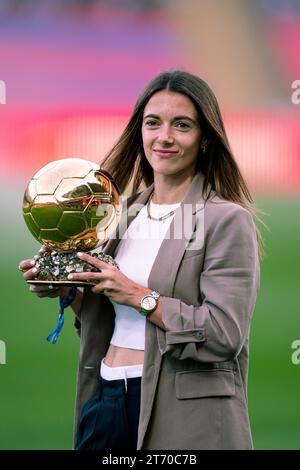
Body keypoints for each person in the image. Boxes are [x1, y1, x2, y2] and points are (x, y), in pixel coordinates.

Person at [19, 70, 261, 450]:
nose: (164, 137)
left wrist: (138, 295)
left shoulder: (226, 219)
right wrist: (69, 291)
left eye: (181, 125)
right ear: (140, 131)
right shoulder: (119, 214)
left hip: (180, 410)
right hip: (107, 397)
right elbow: (110, 318)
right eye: (153, 123)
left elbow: (223, 335)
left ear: (204, 140)